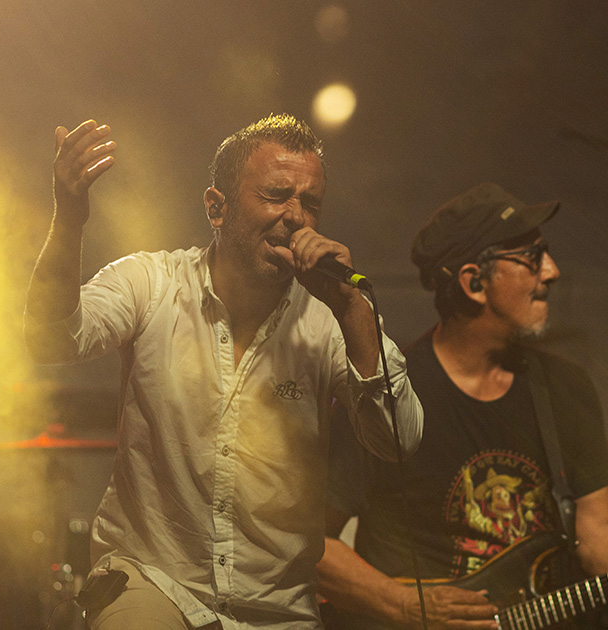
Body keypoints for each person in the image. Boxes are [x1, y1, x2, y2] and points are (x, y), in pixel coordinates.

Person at [23, 114, 423, 629]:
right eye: (277, 196)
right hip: (155, 585)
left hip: (278, 610)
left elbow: (399, 440)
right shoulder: (152, 283)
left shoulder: (331, 318)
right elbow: (50, 339)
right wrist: (70, 216)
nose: (296, 216)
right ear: (217, 207)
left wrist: (354, 311)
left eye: (311, 203)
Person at [317, 183, 608, 629]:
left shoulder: (563, 387)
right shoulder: (387, 395)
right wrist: (402, 605)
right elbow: (312, 542)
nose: (552, 272)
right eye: (533, 258)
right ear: (474, 282)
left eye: (546, 253)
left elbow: (602, 532)